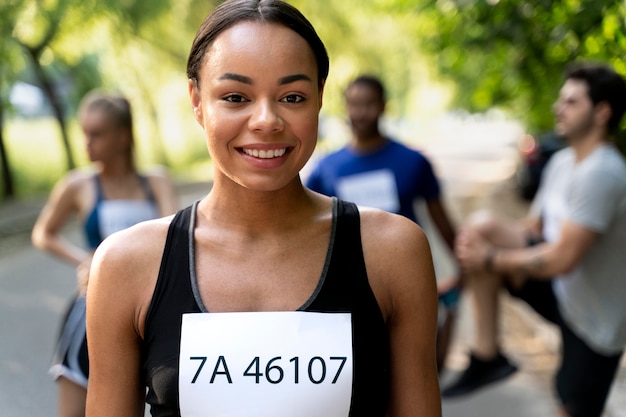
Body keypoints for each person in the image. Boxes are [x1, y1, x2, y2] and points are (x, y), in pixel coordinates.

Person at [84, 1, 442, 416]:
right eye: (236, 97)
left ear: (320, 100)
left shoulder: (393, 251)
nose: (267, 120)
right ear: (197, 100)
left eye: (292, 96)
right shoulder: (125, 263)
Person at [442, 62, 626, 417]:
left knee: (571, 410)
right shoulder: (562, 162)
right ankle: (487, 355)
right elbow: (532, 231)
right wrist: (469, 272)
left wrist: (490, 261)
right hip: (562, 293)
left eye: (572, 102)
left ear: (602, 112)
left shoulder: (604, 171)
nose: (559, 108)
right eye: (561, 100)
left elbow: (561, 259)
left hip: (596, 322)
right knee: (480, 227)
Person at [31, 91, 178, 417]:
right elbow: (43, 233)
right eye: (84, 133)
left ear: (123, 136)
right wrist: (86, 260)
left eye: (96, 134)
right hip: (92, 307)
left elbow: (173, 236)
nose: (87, 143)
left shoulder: (155, 181)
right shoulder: (78, 185)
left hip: (150, 309)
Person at [305, 74, 459, 371]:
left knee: (422, 367)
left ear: (384, 106)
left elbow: (441, 219)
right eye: (354, 104)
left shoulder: (413, 161)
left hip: (408, 277)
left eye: (369, 104)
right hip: (350, 286)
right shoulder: (327, 168)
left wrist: (462, 267)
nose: (361, 112)